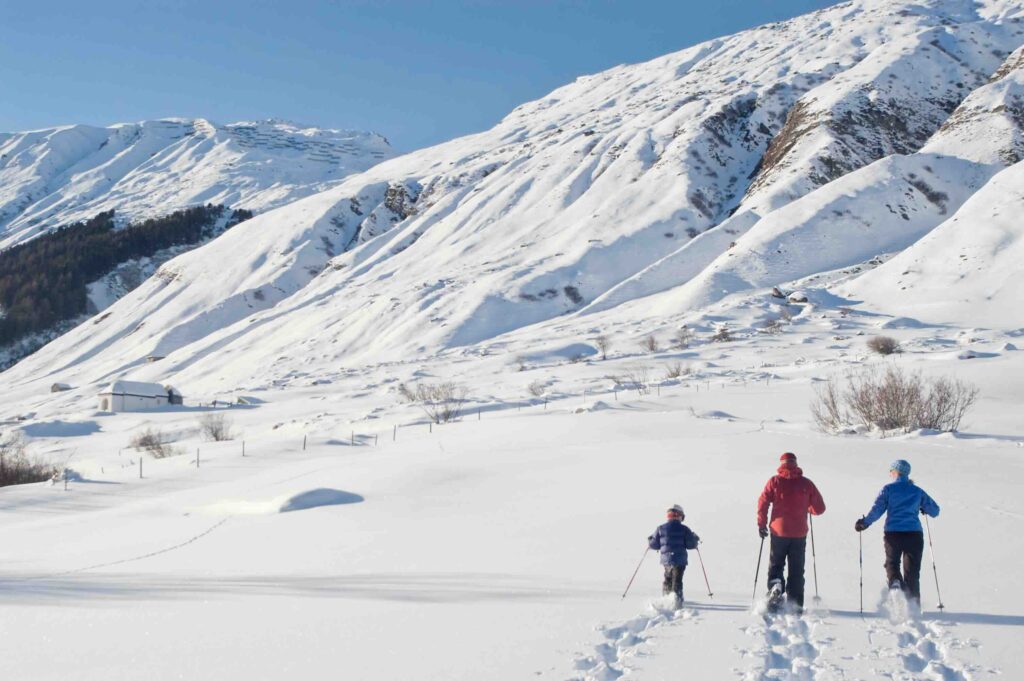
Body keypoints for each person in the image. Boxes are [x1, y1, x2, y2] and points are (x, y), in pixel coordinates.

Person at [855, 459, 940, 603]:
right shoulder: (917, 491)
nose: (890, 474)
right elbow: (935, 510)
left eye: (891, 471)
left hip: (893, 534)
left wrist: (865, 523)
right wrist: (924, 508)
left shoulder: (888, 489)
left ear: (895, 472)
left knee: (892, 563)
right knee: (912, 571)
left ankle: (895, 584)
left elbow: (877, 509)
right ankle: (913, 606)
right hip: (914, 534)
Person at [757, 452, 826, 613]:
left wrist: (761, 524)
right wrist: (808, 507)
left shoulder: (774, 481)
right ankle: (795, 603)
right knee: (796, 569)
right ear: (795, 464)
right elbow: (820, 508)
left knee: (776, 564)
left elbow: (763, 502)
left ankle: (775, 588)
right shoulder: (806, 484)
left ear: (781, 464)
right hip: (799, 533)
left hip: (778, 531)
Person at [648, 504, 700, 606]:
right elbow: (691, 545)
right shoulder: (685, 529)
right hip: (680, 560)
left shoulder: (660, 528)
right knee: (677, 580)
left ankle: (666, 599)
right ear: (680, 516)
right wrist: (695, 539)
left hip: (666, 560)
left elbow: (654, 545)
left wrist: (650, 540)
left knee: (668, 578)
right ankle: (677, 601)